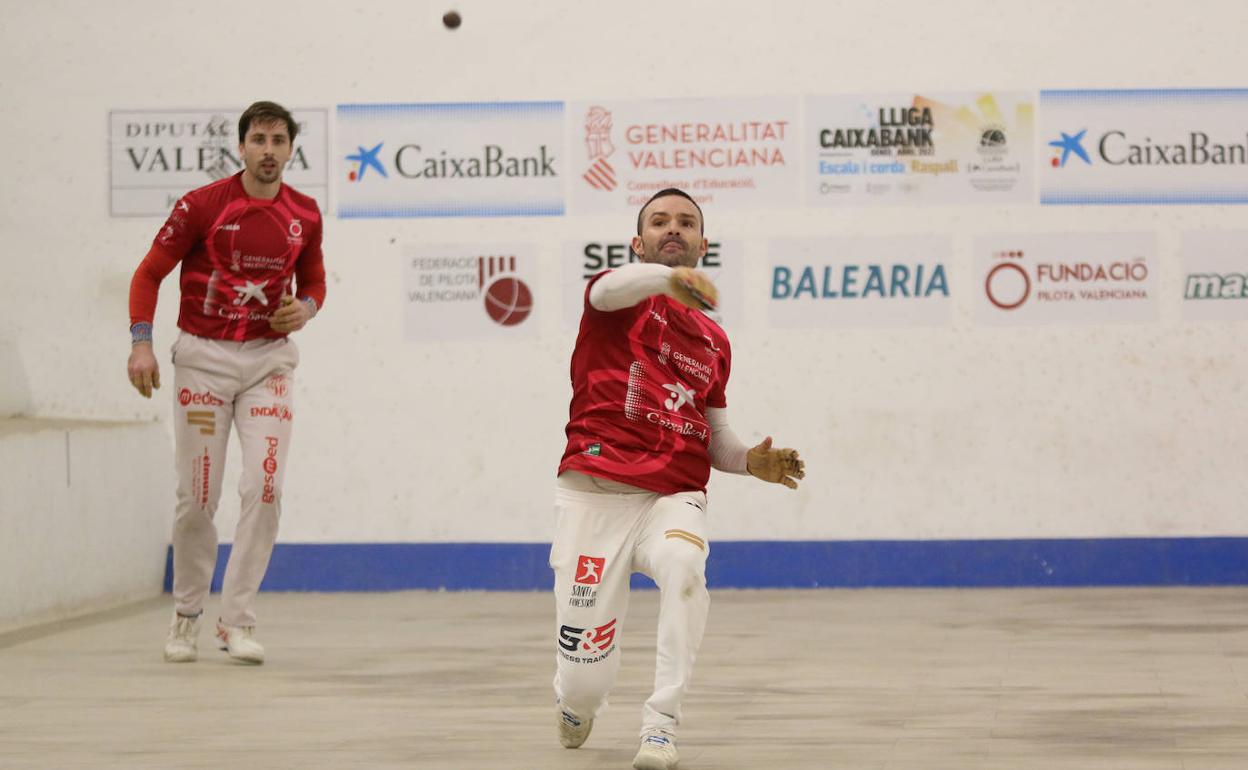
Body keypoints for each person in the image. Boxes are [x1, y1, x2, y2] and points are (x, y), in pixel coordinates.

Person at [552, 188, 805, 770]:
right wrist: (660, 282)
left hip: (673, 495)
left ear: (702, 244)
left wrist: (750, 462)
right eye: (660, 222)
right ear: (638, 244)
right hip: (594, 493)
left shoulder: (715, 340)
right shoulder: (615, 300)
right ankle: (573, 700)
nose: (674, 229)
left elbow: (714, 437)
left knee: (685, 568)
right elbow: (606, 287)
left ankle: (660, 726)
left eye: (687, 223)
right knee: (585, 684)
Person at [125, 101, 325, 665]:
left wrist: (305, 309)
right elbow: (148, 274)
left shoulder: (305, 214)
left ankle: (235, 622)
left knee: (265, 490)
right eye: (258, 139)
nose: (268, 149)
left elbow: (314, 282)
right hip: (203, 365)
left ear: (290, 149)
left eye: (278, 140)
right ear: (241, 147)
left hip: (268, 365)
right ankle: (187, 614)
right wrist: (141, 343)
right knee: (198, 498)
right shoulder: (201, 206)